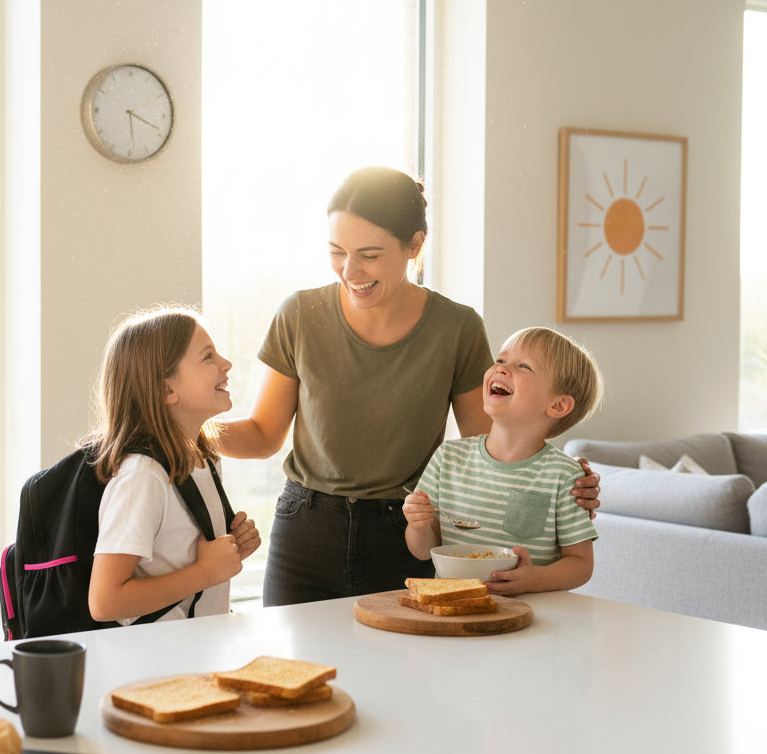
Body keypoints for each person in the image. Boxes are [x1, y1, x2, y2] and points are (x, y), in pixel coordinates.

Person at [218, 166, 600, 606]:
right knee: (298, 671)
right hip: (307, 530)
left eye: (370, 254)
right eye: (336, 250)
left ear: (415, 245)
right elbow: (265, 435)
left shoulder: (457, 327)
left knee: (402, 672)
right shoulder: (300, 314)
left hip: (409, 532)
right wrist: (186, 434)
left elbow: (489, 448)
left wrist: (560, 481)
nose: (350, 270)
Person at [88, 306, 261, 624]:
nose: (226, 364)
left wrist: (231, 549)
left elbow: (182, 558)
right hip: (161, 663)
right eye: (208, 356)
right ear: (167, 389)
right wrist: (205, 572)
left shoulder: (202, 459)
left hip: (197, 652)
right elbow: (105, 601)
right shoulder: (143, 478)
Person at [404, 326, 603, 594]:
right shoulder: (447, 458)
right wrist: (419, 524)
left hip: (534, 618)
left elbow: (581, 564)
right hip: (457, 610)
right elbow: (423, 551)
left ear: (557, 405)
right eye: (500, 360)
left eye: (523, 366)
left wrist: (534, 580)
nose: (501, 369)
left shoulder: (565, 476)